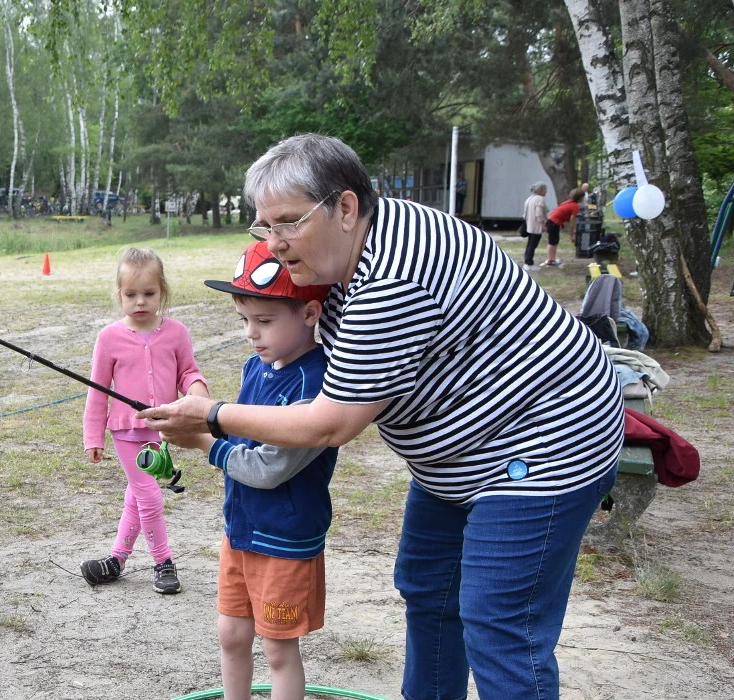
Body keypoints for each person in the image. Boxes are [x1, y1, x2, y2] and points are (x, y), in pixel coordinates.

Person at [139, 134, 622, 700]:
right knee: (429, 588)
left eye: (288, 223)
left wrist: (213, 417)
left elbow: (330, 423)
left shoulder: (393, 277)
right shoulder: (357, 240)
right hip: (458, 455)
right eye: (263, 227)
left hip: (545, 444)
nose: (274, 244)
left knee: (497, 622)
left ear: (345, 207)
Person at [188, 240, 337, 700]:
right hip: (242, 531)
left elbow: (268, 468)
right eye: (245, 320)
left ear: (310, 314)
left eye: (266, 321)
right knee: (231, 636)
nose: (252, 333)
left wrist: (204, 442)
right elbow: (240, 436)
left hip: (285, 541)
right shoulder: (257, 366)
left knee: (277, 649)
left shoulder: (317, 383)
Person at [80, 247, 209, 595]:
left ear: (162, 292)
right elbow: (97, 392)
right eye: (130, 294)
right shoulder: (108, 338)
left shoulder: (177, 332)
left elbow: (189, 372)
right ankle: (163, 561)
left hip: (162, 431)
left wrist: (198, 394)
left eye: (149, 293)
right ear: (119, 294)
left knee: (137, 496)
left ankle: (117, 560)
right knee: (149, 495)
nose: (140, 301)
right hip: (125, 432)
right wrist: (94, 437)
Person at [543, 187, 585, 268]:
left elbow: (561, 212)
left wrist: (562, 223)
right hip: (553, 223)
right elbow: (572, 222)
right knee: (552, 242)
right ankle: (550, 260)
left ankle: (552, 259)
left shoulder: (568, 202)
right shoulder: (575, 206)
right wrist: (572, 235)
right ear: (580, 198)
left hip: (552, 221)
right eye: (583, 197)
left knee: (554, 241)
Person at [523, 181, 549, 270]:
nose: (546, 191)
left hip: (529, 225)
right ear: (541, 190)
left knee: (530, 244)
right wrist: (543, 224)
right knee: (533, 245)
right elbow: (539, 213)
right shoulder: (539, 199)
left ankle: (527, 262)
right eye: (545, 189)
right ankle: (529, 263)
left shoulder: (530, 198)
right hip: (536, 226)